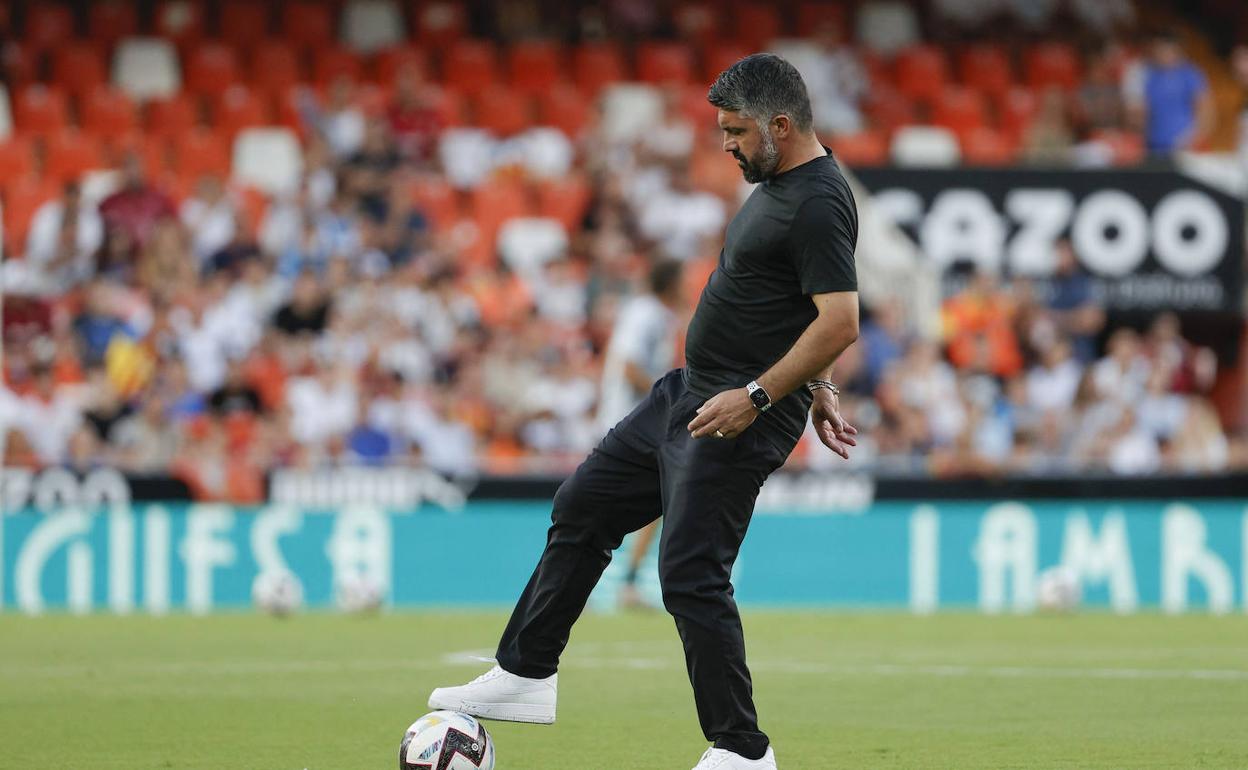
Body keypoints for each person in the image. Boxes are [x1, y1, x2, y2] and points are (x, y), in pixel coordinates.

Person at [428, 54, 860, 770]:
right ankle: (526, 672)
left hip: (737, 410)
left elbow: (839, 320)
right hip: (689, 391)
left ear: (780, 124)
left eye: (736, 132)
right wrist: (820, 387)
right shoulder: (781, 184)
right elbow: (793, 306)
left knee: (690, 573)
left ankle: (743, 752)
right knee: (582, 507)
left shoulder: (817, 199)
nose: (726, 145)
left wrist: (764, 396)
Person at [595, 259, 686, 609]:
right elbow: (628, 364)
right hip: (629, 422)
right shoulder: (645, 312)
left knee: (657, 500)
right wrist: (665, 401)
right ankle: (617, 583)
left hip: (638, 421)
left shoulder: (658, 315)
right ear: (669, 281)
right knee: (646, 500)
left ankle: (624, 583)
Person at [1131, 31, 1213, 153]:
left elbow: (1206, 110)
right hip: (1154, 145)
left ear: (1176, 50)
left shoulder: (1190, 74)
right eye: (1157, 49)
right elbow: (1143, 111)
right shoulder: (1150, 75)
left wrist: (1192, 138)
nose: (1160, 54)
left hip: (1184, 145)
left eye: (1164, 49)